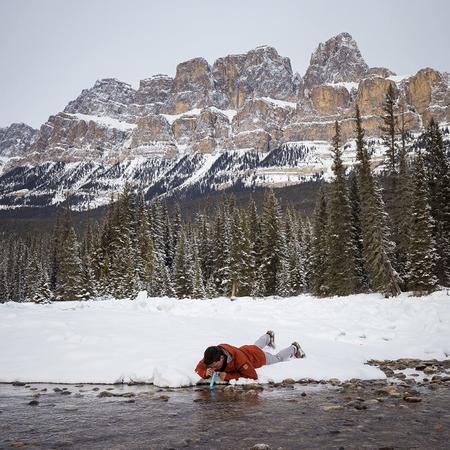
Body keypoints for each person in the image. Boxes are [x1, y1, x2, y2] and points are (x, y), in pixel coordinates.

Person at [195, 331, 305, 381]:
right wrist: (205, 372)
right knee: (255, 346)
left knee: (277, 358)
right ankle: (268, 336)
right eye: (210, 365)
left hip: (258, 357)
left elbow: (252, 375)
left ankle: (294, 348)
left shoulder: (240, 361)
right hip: (246, 349)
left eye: (214, 365)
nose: (212, 368)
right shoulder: (212, 355)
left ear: (222, 358)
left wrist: (228, 376)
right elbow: (198, 368)